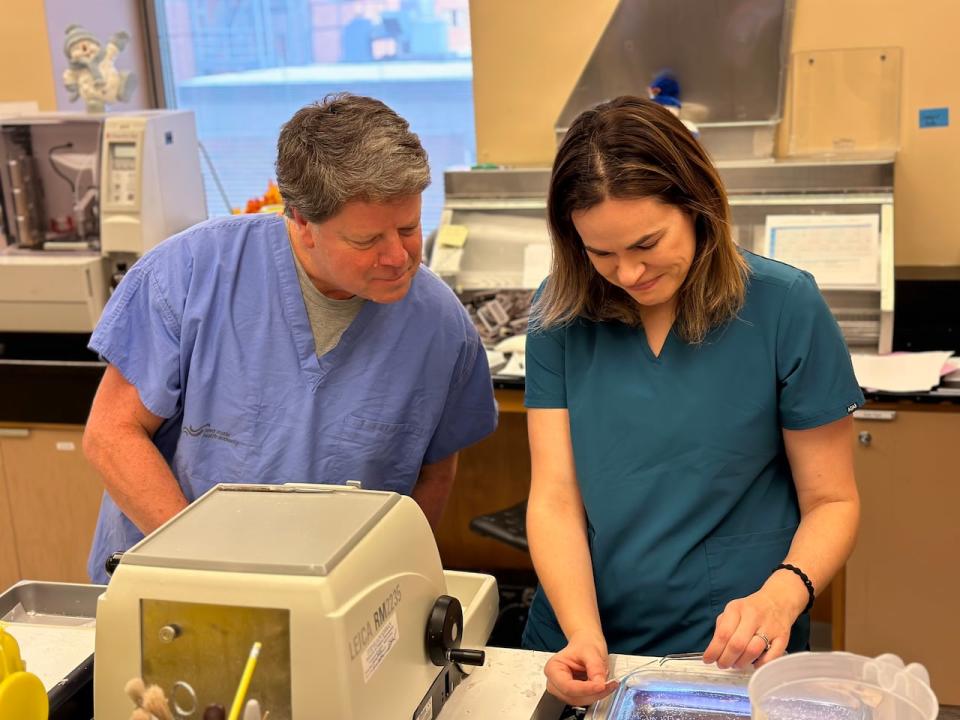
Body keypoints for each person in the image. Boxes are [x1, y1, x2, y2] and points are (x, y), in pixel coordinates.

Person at [523, 96, 862, 706]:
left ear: (698, 205)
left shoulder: (784, 306)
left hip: (731, 646)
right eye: (600, 253)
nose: (626, 273)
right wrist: (580, 632)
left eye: (647, 242)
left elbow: (832, 500)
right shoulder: (561, 312)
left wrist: (782, 594)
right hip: (582, 633)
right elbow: (554, 495)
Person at [82, 93, 498, 584]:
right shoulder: (191, 276)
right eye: (366, 241)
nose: (398, 257)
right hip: (166, 586)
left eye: (408, 229)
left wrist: (393, 588)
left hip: (330, 605)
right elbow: (112, 435)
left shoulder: (438, 326)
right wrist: (203, 571)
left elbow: (433, 471)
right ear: (301, 222)